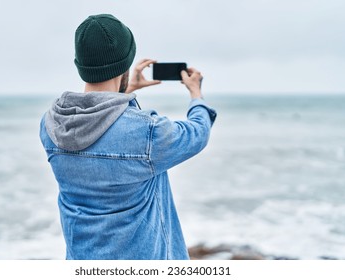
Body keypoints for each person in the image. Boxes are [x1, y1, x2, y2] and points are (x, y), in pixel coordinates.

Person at [39, 14, 216, 260]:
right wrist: (195, 93)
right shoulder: (146, 133)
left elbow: (101, 127)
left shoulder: (51, 125)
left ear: (80, 64)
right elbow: (197, 133)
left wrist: (126, 89)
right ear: (125, 65)